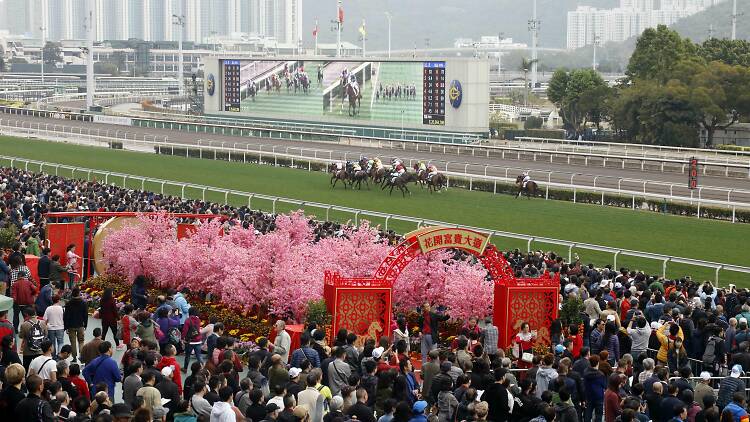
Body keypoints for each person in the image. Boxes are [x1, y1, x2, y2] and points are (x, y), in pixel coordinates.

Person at [64, 287, 88, 362]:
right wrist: (85, 325)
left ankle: (74, 358)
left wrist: (66, 327)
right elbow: (85, 315)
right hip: (80, 325)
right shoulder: (83, 303)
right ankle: (82, 356)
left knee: (73, 342)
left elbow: (66, 316)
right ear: (78, 293)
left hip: (71, 326)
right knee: (81, 341)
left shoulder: (68, 303)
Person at [44, 293, 65, 358]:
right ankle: (59, 355)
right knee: (60, 342)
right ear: (58, 300)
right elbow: (64, 318)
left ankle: (53, 356)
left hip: (50, 328)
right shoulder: (62, 308)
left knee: (52, 343)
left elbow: (45, 319)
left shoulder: (48, 308)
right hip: (60, 327)